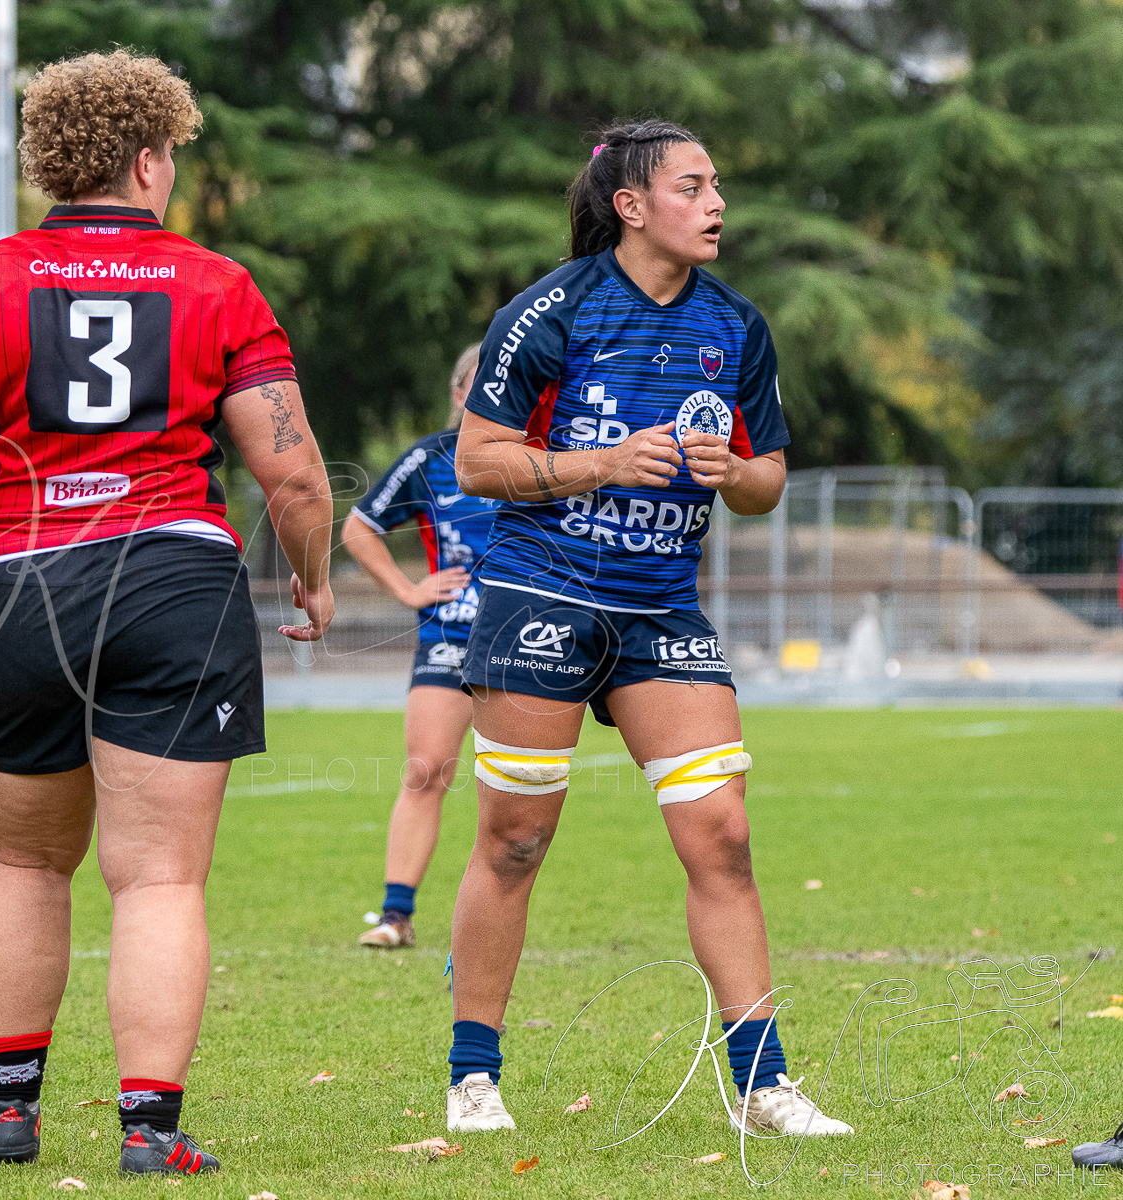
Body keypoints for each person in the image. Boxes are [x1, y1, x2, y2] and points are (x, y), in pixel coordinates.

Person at [0, 50, 335, 1176]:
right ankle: (149, 1131)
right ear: (151, 156)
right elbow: (292, 477)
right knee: (158, 878)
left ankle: (10, 1112)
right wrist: (315, 573)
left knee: (20, 864)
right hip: (170, 583)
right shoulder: (219, 285)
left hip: (18, 588)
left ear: (54, 160)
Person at [441, 120, 853, 1139]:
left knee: (725, 836)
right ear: (631, 205)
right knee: (517, 839)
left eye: (718, 184)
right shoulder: (550, 311)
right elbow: (477, 462)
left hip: (662, 608)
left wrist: (736, 474)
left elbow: (766, 481)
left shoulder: (738, 325)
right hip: (540, 594)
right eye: (692, 185)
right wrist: (604, 464)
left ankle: (762, 1086)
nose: (716, 203)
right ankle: (474, 1076)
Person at [346, 344, 497, 949]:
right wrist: (409, 589)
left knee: (519, 784)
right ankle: (395, 916)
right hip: (451, 635)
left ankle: (495, 916)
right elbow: (359, 528)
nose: (490, 395)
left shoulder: (548, 454)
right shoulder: (429, 459)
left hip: (531, 639)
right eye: (478, 385)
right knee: (427, 769)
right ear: (459, 395)